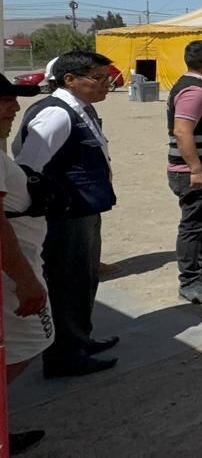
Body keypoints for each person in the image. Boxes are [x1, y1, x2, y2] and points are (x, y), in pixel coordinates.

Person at [16, 50, 119, 378]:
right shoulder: (57, 114)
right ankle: (65, 356)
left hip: (83, 210)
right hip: (66, 215)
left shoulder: (79, 109)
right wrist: (51, 205)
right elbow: (28, 169)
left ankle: (79, 339)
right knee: (67, 283)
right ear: (70, 80)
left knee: (84, 280)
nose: (107, 84)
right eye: (99, 78)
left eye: (108, 77)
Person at [1, 74, 52, 454]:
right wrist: (24, 279)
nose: (14, 109)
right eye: (4, 101)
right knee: (30, 343)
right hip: (11, 274)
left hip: (18, 265)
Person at [166, 40, 202, 304]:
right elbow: (181, 130)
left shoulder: (198, 87)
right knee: (193, 226)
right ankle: (189, 281)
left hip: (197, 169)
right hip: (190, 172)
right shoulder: (195, 91)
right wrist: (196, 168)